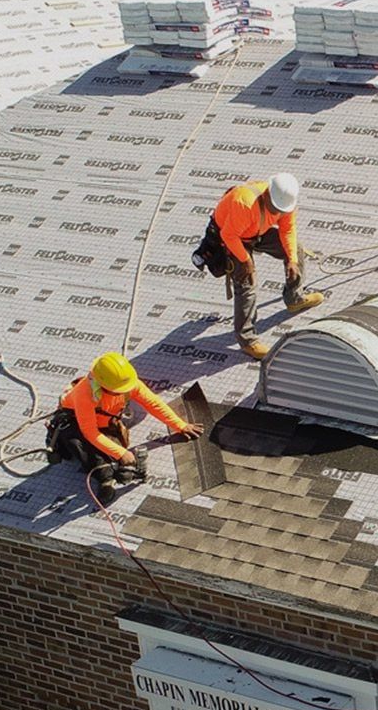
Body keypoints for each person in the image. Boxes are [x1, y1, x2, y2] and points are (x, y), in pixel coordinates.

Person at [47, 353, 201, 505]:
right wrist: (121, 453)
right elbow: (90, 432)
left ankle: (111, 469)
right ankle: (105, 480)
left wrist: (180, 425)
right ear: (104, 385)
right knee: (80, 444)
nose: (124, 391)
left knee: (116, 456)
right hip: (75, 421)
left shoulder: (128, 384)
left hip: (105, 422)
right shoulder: (85, 394)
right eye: (118, 390)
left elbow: (153, 404)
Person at [210, 173, 322, 359]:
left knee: (296, 250)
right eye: (274, 208)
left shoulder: (287, 204)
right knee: (246, 283)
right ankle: (248, 341)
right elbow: (229, 235)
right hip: (232, 236)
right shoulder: (244, 203)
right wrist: (245, 261)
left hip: (255, 231)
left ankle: (294, 297)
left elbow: (287, 230)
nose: (277, 213)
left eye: (281, 210)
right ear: (267, 194)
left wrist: (292, 260)